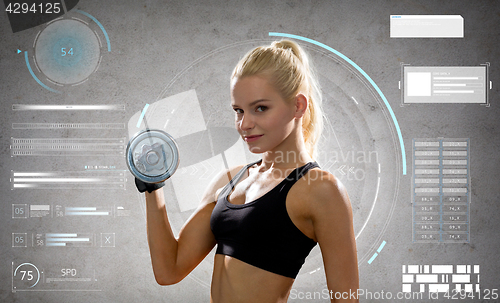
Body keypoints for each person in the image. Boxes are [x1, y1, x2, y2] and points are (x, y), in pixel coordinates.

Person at [137, 40, 359, 303]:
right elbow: (169, 270)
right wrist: (153, 185)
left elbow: (346, 299)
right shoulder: (228, 180)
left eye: (260, 108)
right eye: (238, 111)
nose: (244, 124)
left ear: (298, 106)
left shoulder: (321, 189)